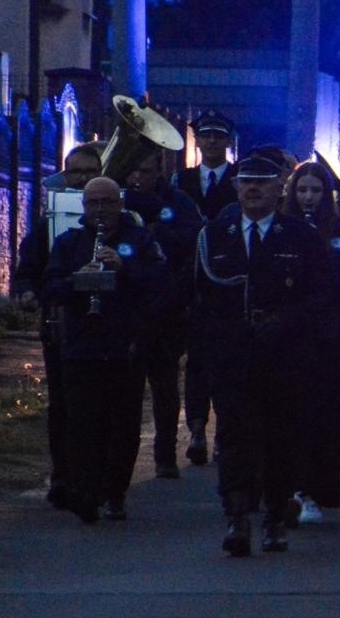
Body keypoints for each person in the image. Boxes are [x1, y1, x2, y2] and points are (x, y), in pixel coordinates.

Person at [192, 155, 329, 556]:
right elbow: (201, 294)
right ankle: (236, 517)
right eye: (246, 182)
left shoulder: (299, 237)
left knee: (281, 439)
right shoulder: (215, 235)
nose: (252, 189)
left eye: (262, 182)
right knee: (234, 436)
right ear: (236, 188)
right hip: (233, 355)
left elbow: (322, 293)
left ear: (279, 188)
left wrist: (287, 320)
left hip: (285, 356)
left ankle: (274, 519)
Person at [41, 177, 168, 523]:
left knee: (122, 423)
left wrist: (124, 269)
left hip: (125, 345)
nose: (100, 211)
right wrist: (78, 281)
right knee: (83, 422)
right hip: (81, 345)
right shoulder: (69, 243)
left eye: (107, 203)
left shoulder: (140, 240)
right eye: (93, 204)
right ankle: (87, 490)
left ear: (120, 205)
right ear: (84, 208)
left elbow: (159, 283)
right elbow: (50, 288)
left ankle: (115, 492)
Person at [13, 143, 103, 508]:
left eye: (89, 172)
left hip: (108, 330)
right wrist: (29, 293)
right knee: (63, 406)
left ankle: (97, 477)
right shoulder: (49, 221)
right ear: (64, 175)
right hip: (63, 327)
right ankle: (64, 476)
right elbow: (27, 269)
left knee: (102, 406)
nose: (81, 179)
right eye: (75, 172)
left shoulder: (119, 217)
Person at [280, 161, 340, 523]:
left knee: (324, 419)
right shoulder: (283, 228)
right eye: (302, 190)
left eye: (315, 191)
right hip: (292, 335)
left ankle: (317, 491)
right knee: (290, 418)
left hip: (329, 336)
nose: (308, 197)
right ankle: (289, 489)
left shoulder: (339, 231)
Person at [125, 152, 201, 479]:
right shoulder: (119, 198)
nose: (138, 178)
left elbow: (193, 242)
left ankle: (165, 456)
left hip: (166, 308)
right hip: (126, 310)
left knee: (166, 387)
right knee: (127, 390)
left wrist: (156, 232)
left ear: (159, 171)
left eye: (145, 170)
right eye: (134, 171)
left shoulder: (177, 201)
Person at [174, 110, 240, 468]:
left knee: (227, 365)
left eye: (219, 136)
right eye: (206, 136)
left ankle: (223, 435)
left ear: (228, 141)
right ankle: (197, 429)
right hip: (193, 283)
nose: (212, 142)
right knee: (196, 362)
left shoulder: (239, 179)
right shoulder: (180, 181)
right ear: (196, 141)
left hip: (227, 285)